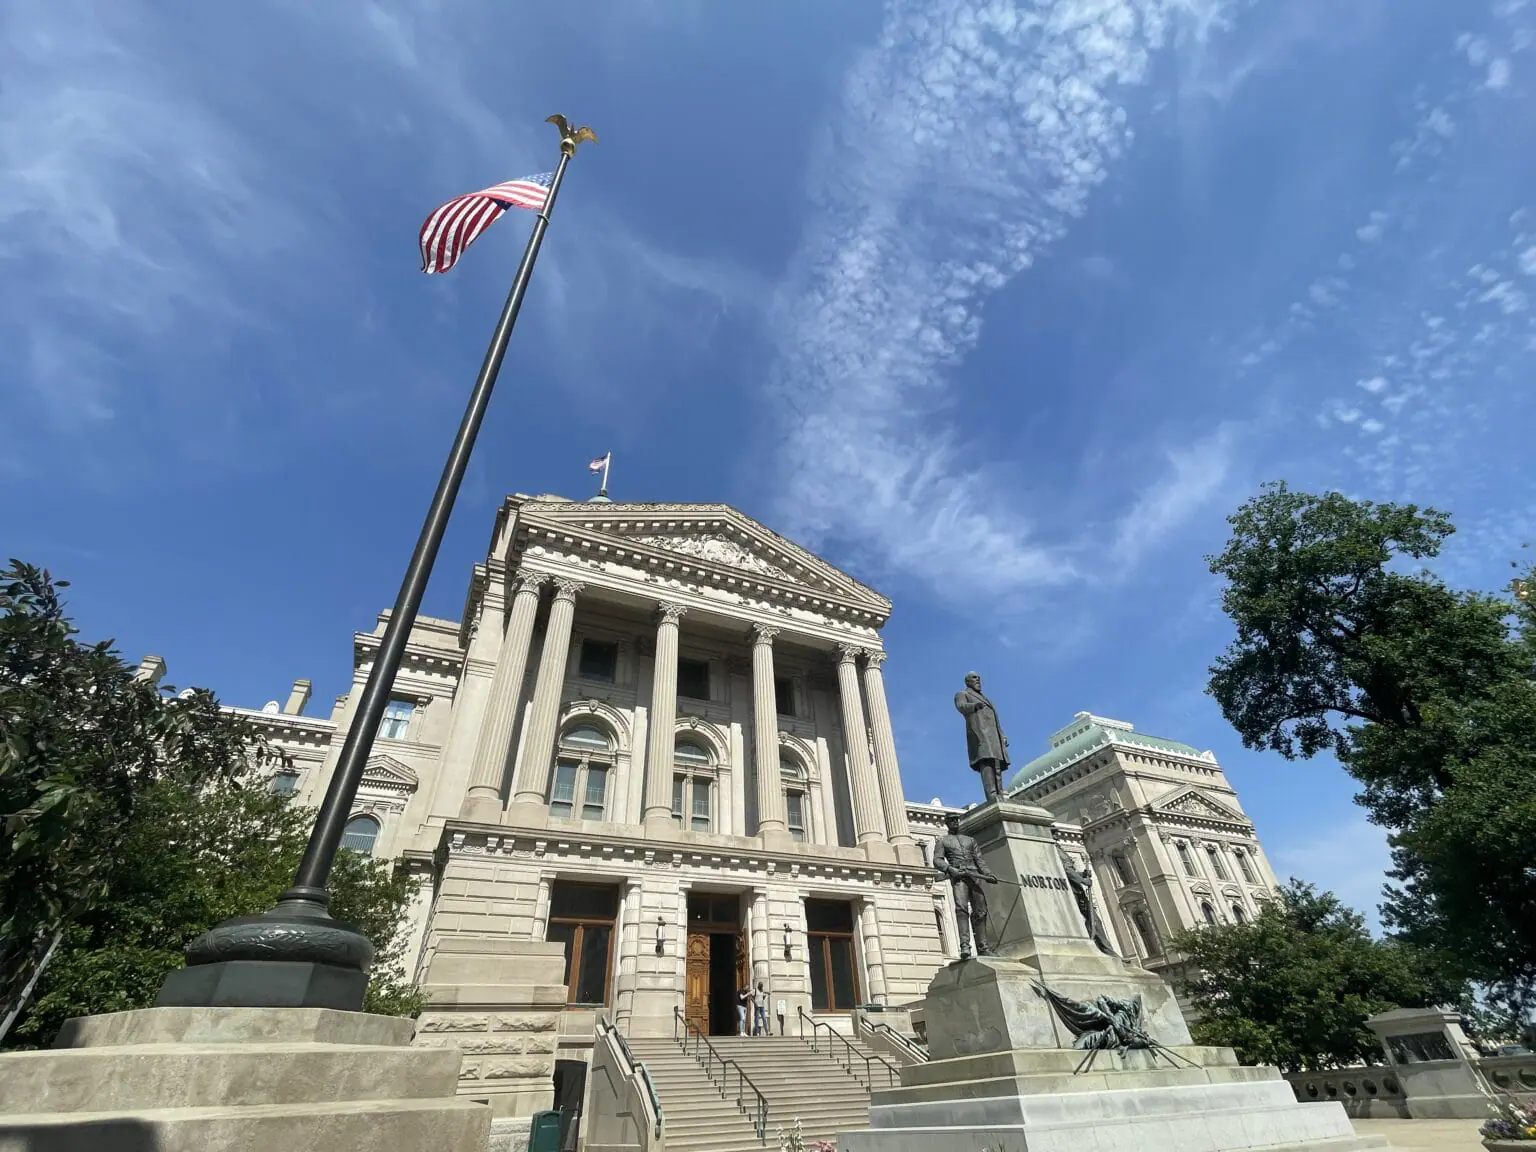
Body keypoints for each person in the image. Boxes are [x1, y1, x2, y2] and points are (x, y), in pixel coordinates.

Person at [933, 811, 998, 959]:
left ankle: (983, 947)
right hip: (959, 878)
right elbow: (937, 860)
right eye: (951, 820)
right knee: (961, 909)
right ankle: (965, 947)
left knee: (981, 911)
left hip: (975, 876)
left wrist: (988, 874)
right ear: (947, 823)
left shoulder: (970, 840)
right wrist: (950, 869)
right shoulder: (943, 841)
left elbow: (979, 860)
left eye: (956, 820)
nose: (955, 822)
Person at [954, 672, 1009, 804]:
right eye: (974, 678)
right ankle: (992, 795)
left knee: (997, 763)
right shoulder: (963, 694)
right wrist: (973, 706)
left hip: (994, 735)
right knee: (987, 763)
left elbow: (996, 720)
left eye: (978, 678)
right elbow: (961, 707)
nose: (977, 680)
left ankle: (1001, 793)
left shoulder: (987, 699)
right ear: (967, 681)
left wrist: (1002, 734)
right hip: (979, 733)